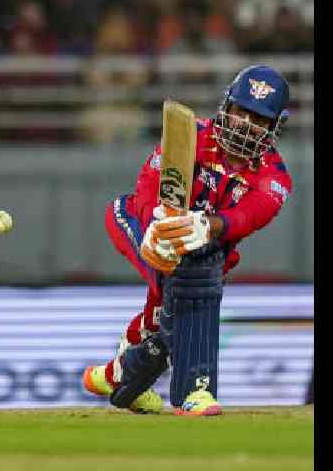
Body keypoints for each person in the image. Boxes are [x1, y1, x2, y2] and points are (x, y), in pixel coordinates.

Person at [82, 65, 293, 416]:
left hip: (200, 251)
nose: (245, 124)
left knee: (171, 310)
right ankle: (194, 392)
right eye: (241, 111)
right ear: (227, 106)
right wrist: (156, 224)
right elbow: (149, 186)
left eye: (258, 119)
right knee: (185, 284)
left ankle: (115, 378)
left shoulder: (275, 177)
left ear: (274, 127)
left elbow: (249, 216)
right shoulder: (189, 136)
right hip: (136, 221)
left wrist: (209, 226)